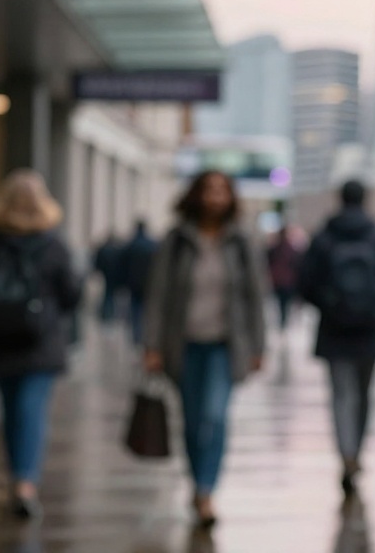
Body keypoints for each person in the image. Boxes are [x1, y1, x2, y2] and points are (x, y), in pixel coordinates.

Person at [143, 170, 268, 528]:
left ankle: (207, 490)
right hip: (181, 344)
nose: (215, 196)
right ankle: (196, 483)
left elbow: (256, 297)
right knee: (192, 420)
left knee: (214, 416)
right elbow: (158, 295)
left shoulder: (241, 242)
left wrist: (259, 345)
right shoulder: (177, 240)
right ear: (196, 195)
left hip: (224, 345)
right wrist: (152, 345)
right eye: (208, 189)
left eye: (222, 190)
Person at [0, 169, 82, 519]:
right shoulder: (53, 242)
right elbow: (71, 293)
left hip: (0, 340)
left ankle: (20, 477)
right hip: (40, 341)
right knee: (30, 410)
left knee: (13, 410)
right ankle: (24, 480)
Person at [297, 180, 375, 496]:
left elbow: (305, 282)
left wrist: (328, 307)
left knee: (341, 395)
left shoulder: (324, 237)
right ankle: (356, 452)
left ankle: (345, 454)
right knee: (363, 395)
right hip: (371, 330)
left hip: (333, 330)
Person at [120, 219, 159, 347]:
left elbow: (123, 265)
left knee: (135, 310)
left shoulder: (131, 245)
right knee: (147, 310)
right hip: (149, 283)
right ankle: (145, 336)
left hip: (134, 283)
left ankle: (137, 337)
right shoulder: (152, 244)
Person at [266, 224, 306, 329]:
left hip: (280, 282)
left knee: (282, 305)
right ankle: (283, 322)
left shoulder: (275, 249)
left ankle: (283, 323)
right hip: (286, 282)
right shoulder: (290, 250)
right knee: (284, 305)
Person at [92, 232, 124, 323]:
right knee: (110, 294)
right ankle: (109, 313)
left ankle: (107, 313)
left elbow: (98, 261)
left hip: (106, 273)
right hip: (113, 274)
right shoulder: (116, 249)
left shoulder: (104, 249)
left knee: (107, 294)